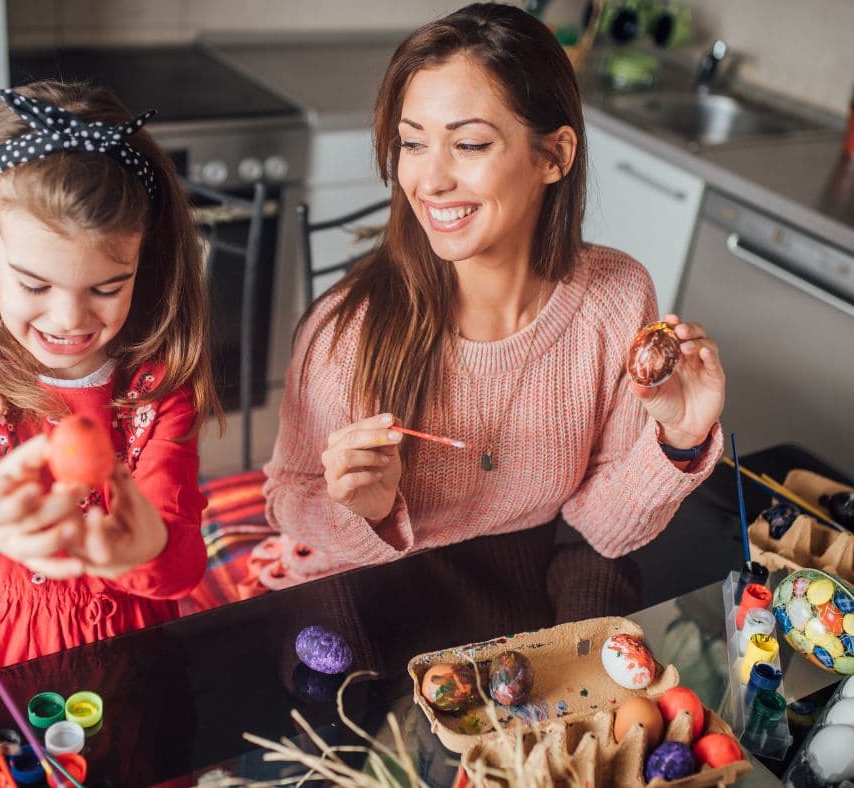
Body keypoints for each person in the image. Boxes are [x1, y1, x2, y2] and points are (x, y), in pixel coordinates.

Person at [264, 3, 726, 570]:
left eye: (470, 144)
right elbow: (286, 497)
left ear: (554, 156)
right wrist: (367, 512)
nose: (429, 181)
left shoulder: (618, 298)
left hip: (517, 605)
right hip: (368, 597)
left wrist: (679, 437)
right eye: (412, 143)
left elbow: (603, 530)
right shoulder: (349, 332)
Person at [0, 81, 221, 690]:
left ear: (143, 259)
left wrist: (141, 545)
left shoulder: (157, 391)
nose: (69, 319)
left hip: (131, 663)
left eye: (107, 287)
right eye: (34, 285)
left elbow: (184, 568)